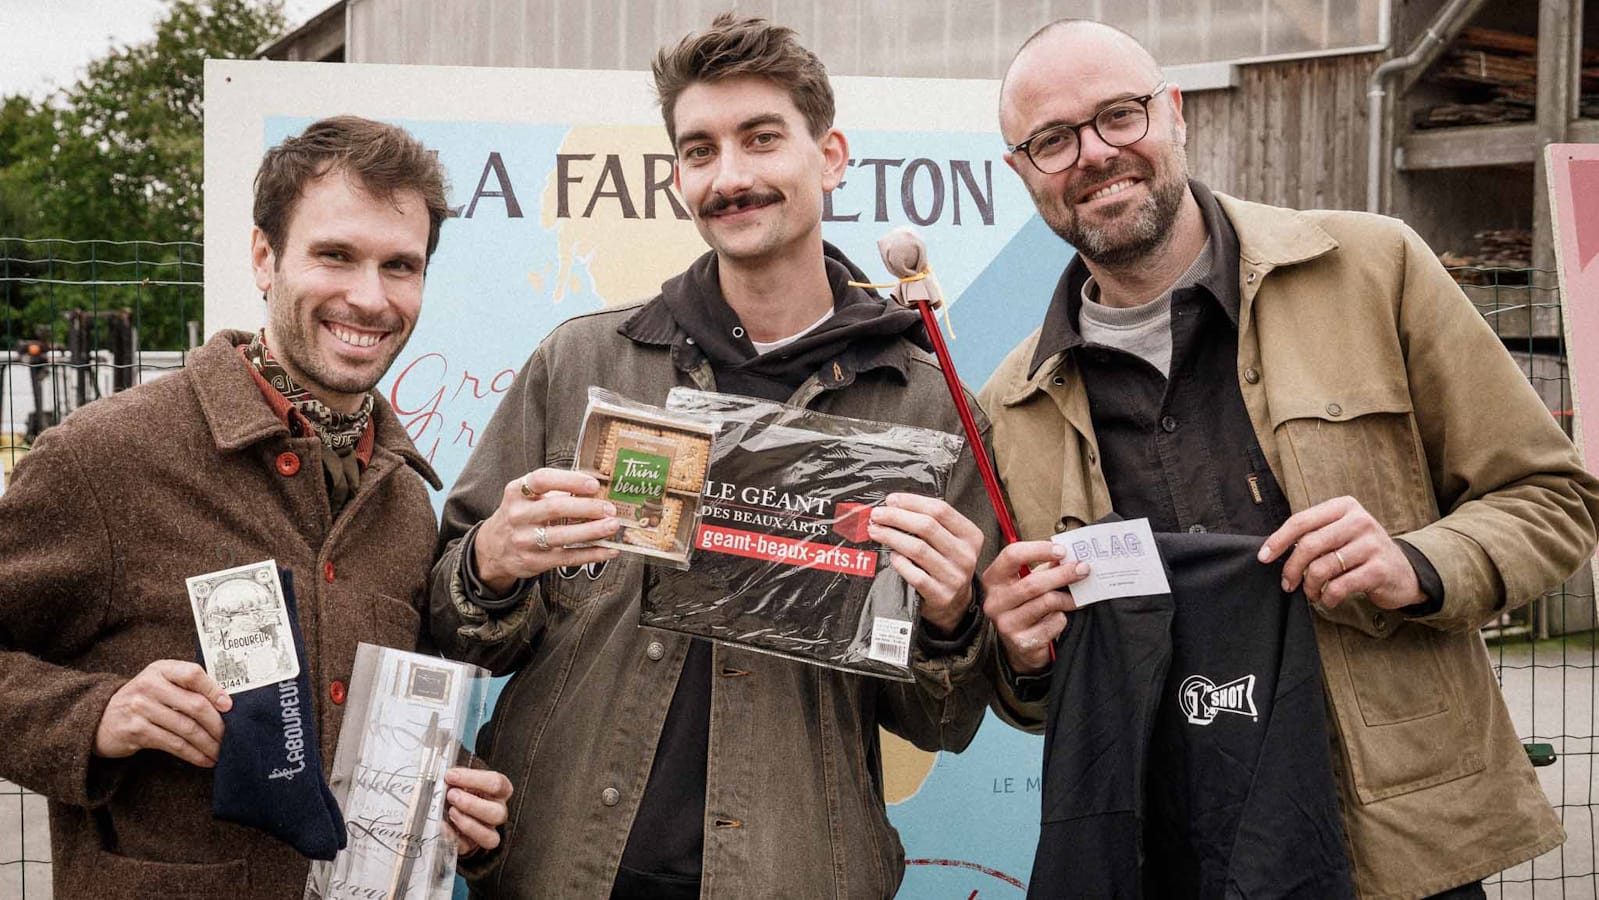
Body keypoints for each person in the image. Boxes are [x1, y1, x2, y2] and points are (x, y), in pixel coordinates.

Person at [978, 19, 1599, 900]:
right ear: (1022, 171)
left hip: (1385, 851)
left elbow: (1551, 496)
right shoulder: (1013, 404)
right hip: (1164, 855)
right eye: (1052, 140)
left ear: (1175, 113)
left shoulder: (1373, 270)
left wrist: (1415, 561)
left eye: (1120, 115)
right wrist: (1019, 652)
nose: (1093, 153)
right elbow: (1035, 698)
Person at [428, 14, 997, 900]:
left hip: (795, 872)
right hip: (558, 866)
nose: (730, 177)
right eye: (700, 150)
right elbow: (452, 632)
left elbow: (941, 719)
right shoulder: (580, 363)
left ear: (831, 154)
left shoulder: (928, 412)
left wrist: (954, 615)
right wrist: (490, 567)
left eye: (761, 139)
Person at [0, 116, 511, 900]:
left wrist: (457, 807)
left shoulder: (406, 502)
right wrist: (93, 717)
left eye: (400, 266)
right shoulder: (107, 458)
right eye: (335, 255)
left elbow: (367, 730)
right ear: (265, 258)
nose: (370, 298)